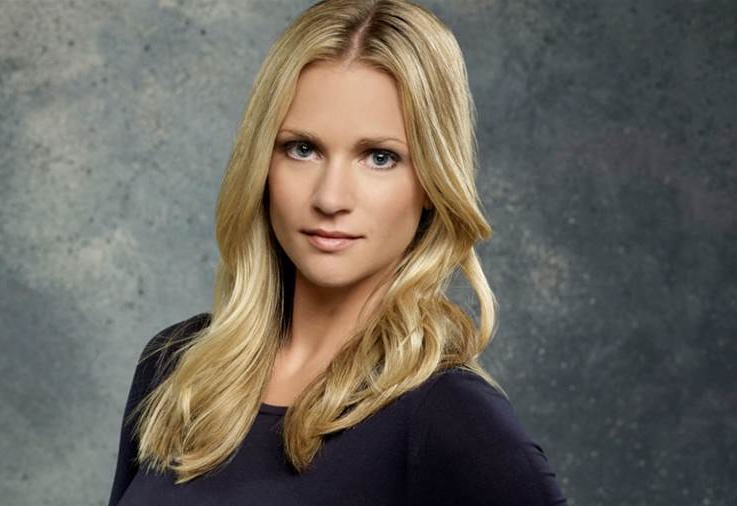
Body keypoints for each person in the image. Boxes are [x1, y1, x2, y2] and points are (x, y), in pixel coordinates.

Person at [108, 0, 568, 504]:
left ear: (433, 182)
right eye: (302, 149)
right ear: (261, 163)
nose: (330, 198)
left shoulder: (449, 414)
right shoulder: (177, 367)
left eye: (380, 157)